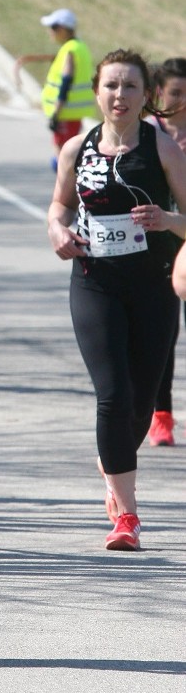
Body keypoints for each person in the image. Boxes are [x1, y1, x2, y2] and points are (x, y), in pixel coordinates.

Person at [47, 49, 186, 551]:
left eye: (130, 86)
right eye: (111, 86)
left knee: (142, 404)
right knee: (113, 393)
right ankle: (126, 514)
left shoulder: (163, 148)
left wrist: (167, 221)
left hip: (153, 283)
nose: (119, 95)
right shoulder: (76, 149)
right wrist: (57, 229)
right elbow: (60, 204)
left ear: (145, 95)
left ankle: (114, 465)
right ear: (97, 92)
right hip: (94, 281)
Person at [146, 57, 186, 446]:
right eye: (175, 93)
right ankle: (162, 415)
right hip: (159, 245)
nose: (183, 102)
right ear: (158, 93)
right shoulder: (147, 134)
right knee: (164, 332)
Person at [14, 8, 99, 165]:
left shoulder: (70, 50)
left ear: (65, 29)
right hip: (73, 113)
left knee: (62, 160)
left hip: (65, 113)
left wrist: (56, 112)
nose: (50, 32)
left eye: (54, 28)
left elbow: (66, 80)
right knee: (68, 157)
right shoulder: (80, 46)